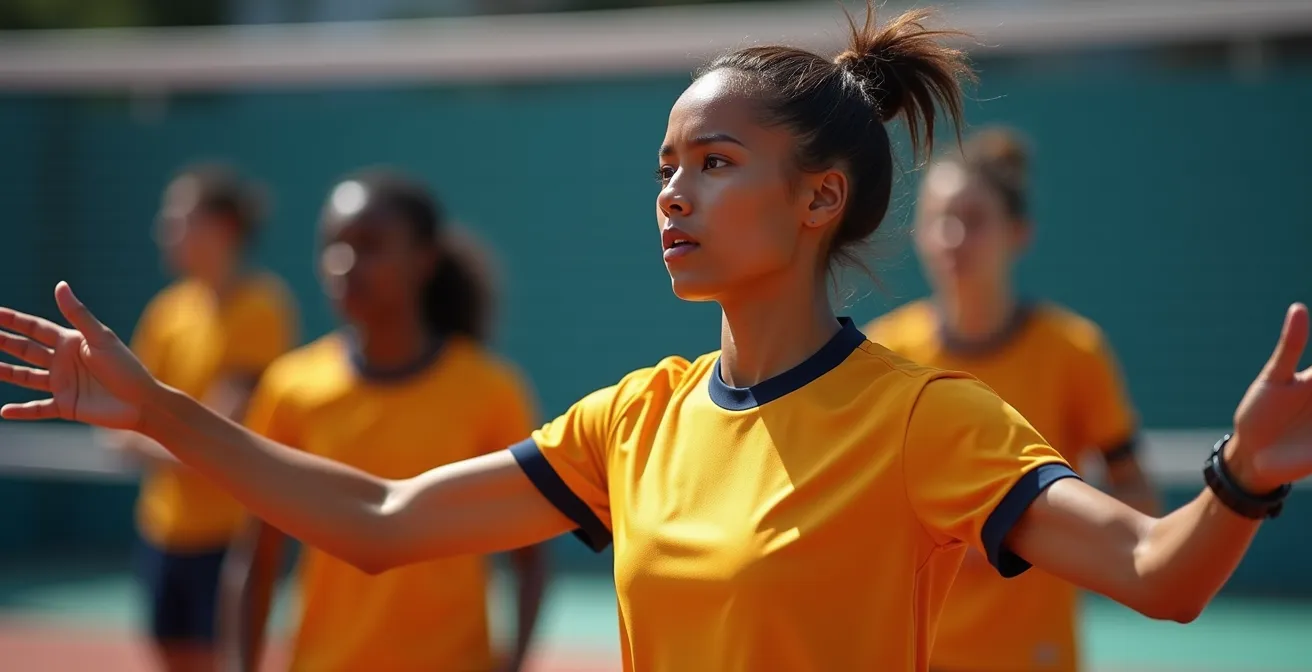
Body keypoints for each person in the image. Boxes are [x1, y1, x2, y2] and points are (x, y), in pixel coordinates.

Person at [1, 6, 1310, 672]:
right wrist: (158, 409)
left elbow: (1158, 571)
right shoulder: (637, 418)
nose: (672, 193)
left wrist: (1246, 473)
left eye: (714, 161)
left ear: (820, 199)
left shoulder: (927, 419)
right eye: (665, 164)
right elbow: (382, 518)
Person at [216, 171, 549, 672]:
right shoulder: (291, 389)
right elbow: (256, 556)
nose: (343, 264)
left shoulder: (490, 391)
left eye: (370, 245)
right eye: (333, 245)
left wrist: (515, 661)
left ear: (425, 260)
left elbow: (529, 561)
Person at [865, 127, 1160, 672]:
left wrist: (1045, 531)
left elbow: (1135, 492)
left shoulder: (1073, 351)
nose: (953, 238)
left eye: (974, 220)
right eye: (938, 220)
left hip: (1032, 654)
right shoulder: (883, 355)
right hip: (915, 654)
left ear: (1017, 233)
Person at [99, 164, 298, 671]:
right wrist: (156, 438)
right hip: (163, 531)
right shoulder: (166, 314)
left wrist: (145, 440)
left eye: (180, 218)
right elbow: (129, 419)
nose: (165, 230)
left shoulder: (261, 307)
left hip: (229, 535)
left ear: (223, 228)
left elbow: (212, 438)